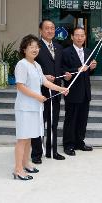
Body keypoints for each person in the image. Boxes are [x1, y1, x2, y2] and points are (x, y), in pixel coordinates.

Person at [13, 34, 69, 180]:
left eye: (37, 47)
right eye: (31, 47)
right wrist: (37, 96)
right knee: (22, 139)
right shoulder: (22, 64)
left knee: (30, 137)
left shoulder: (37, 65)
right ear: (24, 49)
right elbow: (20, 86)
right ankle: (18, 169)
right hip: (25, 108)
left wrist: (61, 89)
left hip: (35, 108)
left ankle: (26, 163)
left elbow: (45, 82)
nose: (35, 49)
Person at [31, 19, 72, 164]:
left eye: (53, 28)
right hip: (40, 92)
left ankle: (52, 151)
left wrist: (65, 73)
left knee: (54, 122)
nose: (50, 31)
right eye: (47, 28)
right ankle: (36, 154)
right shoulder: (36, 47)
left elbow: (58, 67)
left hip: (55, 91)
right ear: (41, 30)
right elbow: (31, 67)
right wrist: (43, 77)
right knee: (40, 122)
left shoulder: (58, 47)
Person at [61, 27, 97, 156]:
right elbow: (62, 69)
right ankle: (68, 144)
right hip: (72, 91)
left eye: (82, 35)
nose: (79, 38)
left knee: (83, 119)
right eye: (77, 35)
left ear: (85, 37)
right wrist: (76, 69)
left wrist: (92, 67)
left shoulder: (88, 51)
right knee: (71, 119)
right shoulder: (65, 52)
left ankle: (79, 142)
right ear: (72, 37)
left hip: (85, 91)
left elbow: (89, 72)